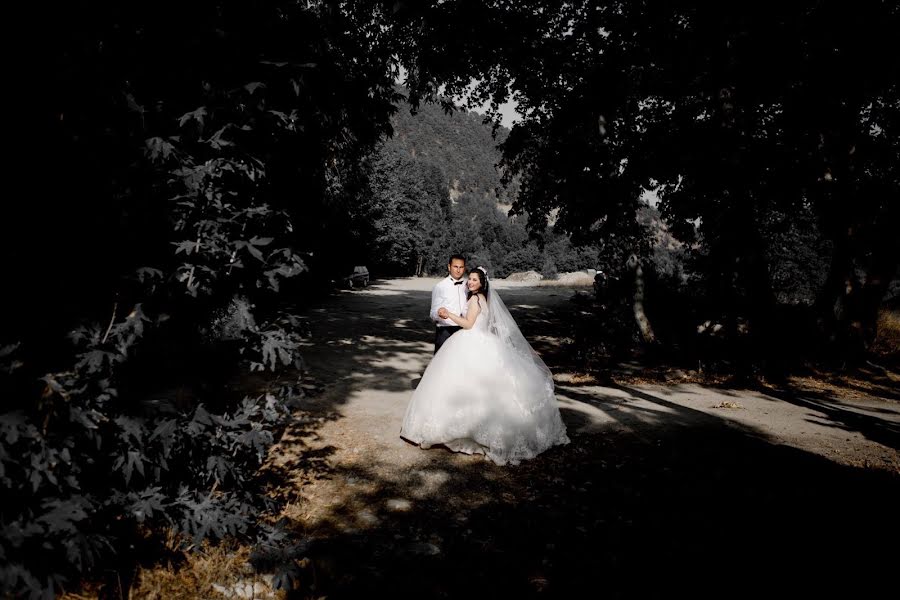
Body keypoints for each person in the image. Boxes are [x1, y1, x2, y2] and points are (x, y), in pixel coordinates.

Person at [401, 267, 570, 465]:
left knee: (461, 386)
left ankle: (460, 429)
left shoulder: (474, 299)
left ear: (481, 283)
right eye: (469, 278)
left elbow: (468, 324)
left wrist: (449, 314)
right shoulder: (485, 299)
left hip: (470, 340)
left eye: (474, 279)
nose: (470, 282)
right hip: (486, 341)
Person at [430, 254, 469, 354]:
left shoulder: (468, 285)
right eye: (455, 266)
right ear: (449, 267)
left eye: (461, 267)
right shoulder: (440, 286)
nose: (458, 270)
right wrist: (439, 313)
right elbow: (432, 313)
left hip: (464, 330)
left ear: (464, 268)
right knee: (442, 363)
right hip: (445, 330)